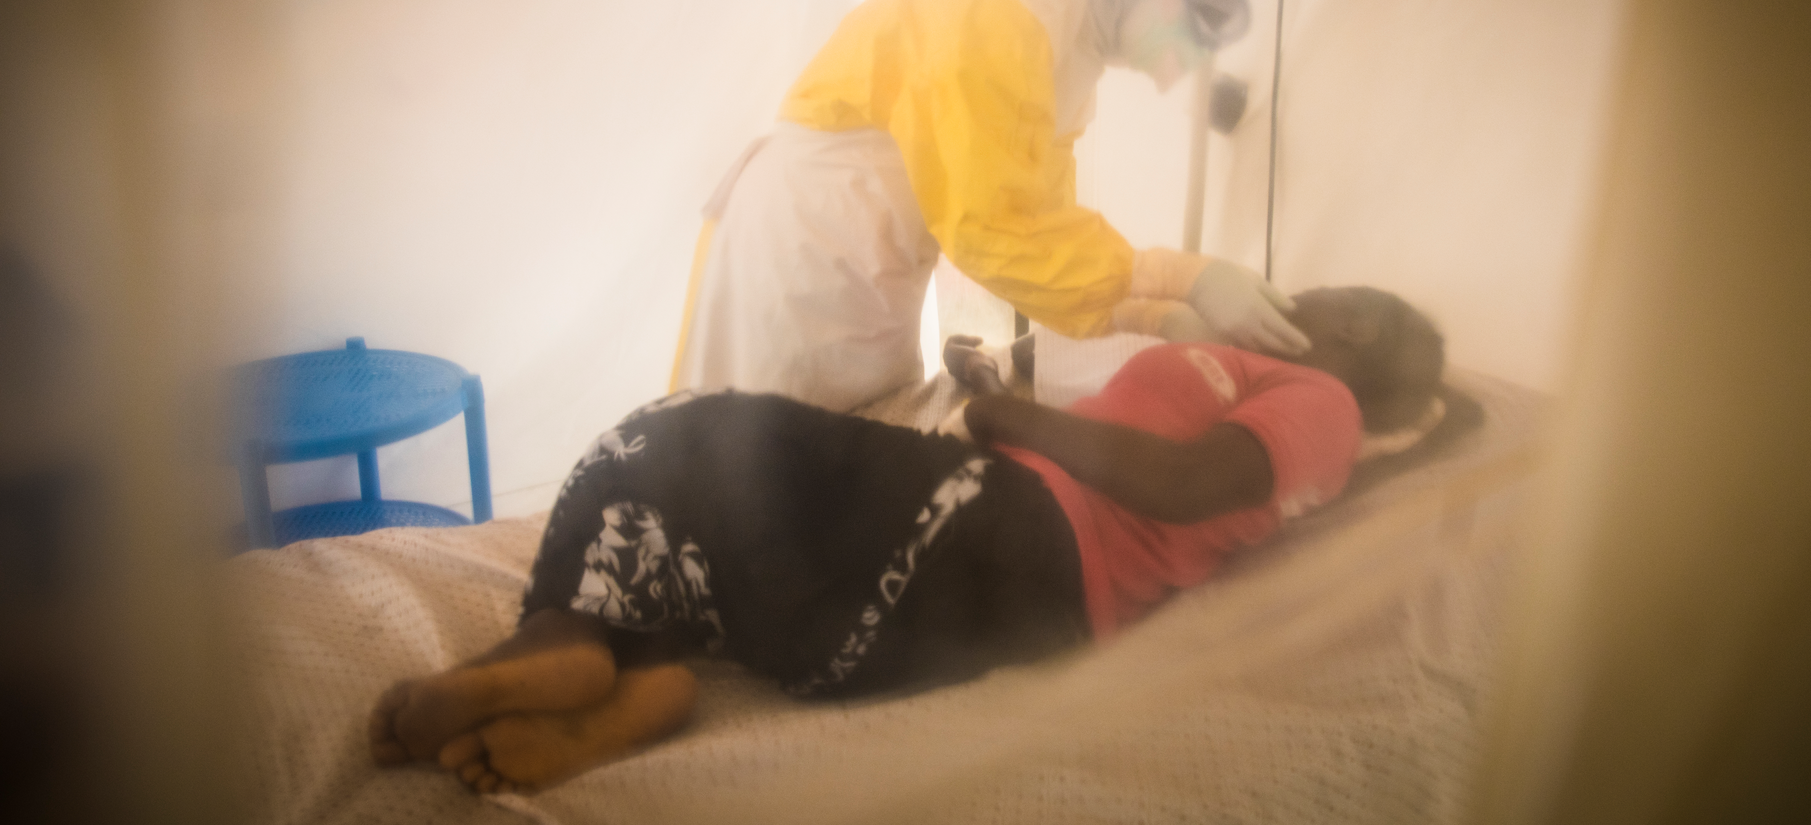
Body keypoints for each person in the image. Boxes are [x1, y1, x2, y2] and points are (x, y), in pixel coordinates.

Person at [370, 287, 1445, 795]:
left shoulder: (1322, 408)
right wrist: (1008, 392)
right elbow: (1173, 456)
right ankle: (637, 676)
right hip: (950, 585)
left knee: (677, 434)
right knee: (704, 525)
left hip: (1012, 533)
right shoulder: (1287, 395)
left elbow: (1181, 484)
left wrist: (1012, 421)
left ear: (1357, 337)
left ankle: (559, 637)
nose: (1313, 291)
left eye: (1346, 298)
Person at [672, 0, 1310, 412]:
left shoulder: (1071, 47)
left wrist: (1146, 311)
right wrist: (1182, 279)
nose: (1181, 57)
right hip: (810, 243)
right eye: (1188, 25)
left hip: (871, 251)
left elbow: (1042, 228)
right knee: (764, 468)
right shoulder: (1005, 7)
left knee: (838, 451)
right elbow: (992, 228)